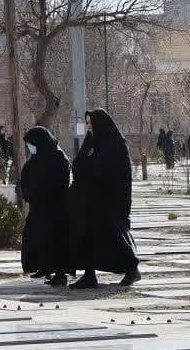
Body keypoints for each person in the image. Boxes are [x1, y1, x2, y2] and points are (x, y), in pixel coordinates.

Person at [68, 109, 141, 289]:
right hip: (90, 200)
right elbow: (78, 165)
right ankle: (89, 275)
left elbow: (115, 174)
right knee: (87, 236)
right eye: (87, 124)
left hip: (110, 201)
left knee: (113, 237)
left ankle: (132, 268)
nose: (89, 127)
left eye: (91, 123)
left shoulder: (116, 145)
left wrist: (92, 167)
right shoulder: (91, 142)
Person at [20, 126, 72, 287]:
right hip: (39, 207)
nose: (30, 148)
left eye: (31, 144)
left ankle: (60, 274)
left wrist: (40, 191)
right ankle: (44, 267)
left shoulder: (58, 157)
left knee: (54, 240)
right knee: (37, 237)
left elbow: (58, 183)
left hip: (54, 207)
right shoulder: (38, 156)